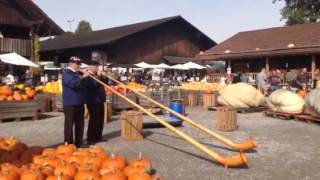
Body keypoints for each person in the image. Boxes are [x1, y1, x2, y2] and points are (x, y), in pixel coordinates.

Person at [62, 56, 89, 147]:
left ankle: (78, 142)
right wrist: (82, 77)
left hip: (80, 102)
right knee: (69, 124)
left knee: (80, 123)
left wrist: (86, 77)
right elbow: (72, 84)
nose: (79, 66)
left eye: (79, 64)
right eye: (77, 64)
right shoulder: (66, 73)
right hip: (70, 103)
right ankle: (68, 143)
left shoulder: (77, 73)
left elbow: (84, 86)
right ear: (71, 63)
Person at [85, 61, 107, 145]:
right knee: (93, 119)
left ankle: (98, 136)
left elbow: (105, 82)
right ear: (91, 67)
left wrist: (103, 76)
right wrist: (99, 75)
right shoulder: (88, 75)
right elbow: (94, 84)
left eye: (98, 66)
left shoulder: (97, 75)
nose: (98, 68)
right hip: (92, 100)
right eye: (96, 67)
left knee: (100, 119)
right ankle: (90, 138)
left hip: (100, 99)